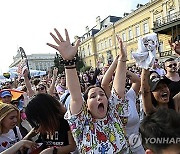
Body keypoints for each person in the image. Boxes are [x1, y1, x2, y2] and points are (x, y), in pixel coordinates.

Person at [47, 28, 130, 153]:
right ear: (86, 105)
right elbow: (75, 97)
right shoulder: (82, 124)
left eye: (102, 94)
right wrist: (69, 62)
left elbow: (118, 89)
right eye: (92, 96)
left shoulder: (115, 114)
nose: (99, 97)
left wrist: (122, 59)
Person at [101, 55, 144, 153]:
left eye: (123, 78)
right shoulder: (110, 97)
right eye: (119, 78)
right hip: (121, 148)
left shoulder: (130, 95)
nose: (122, 80)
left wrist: (123, 70)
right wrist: (116, 63)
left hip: (137, 146)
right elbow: (104, 84)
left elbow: (137, 81)